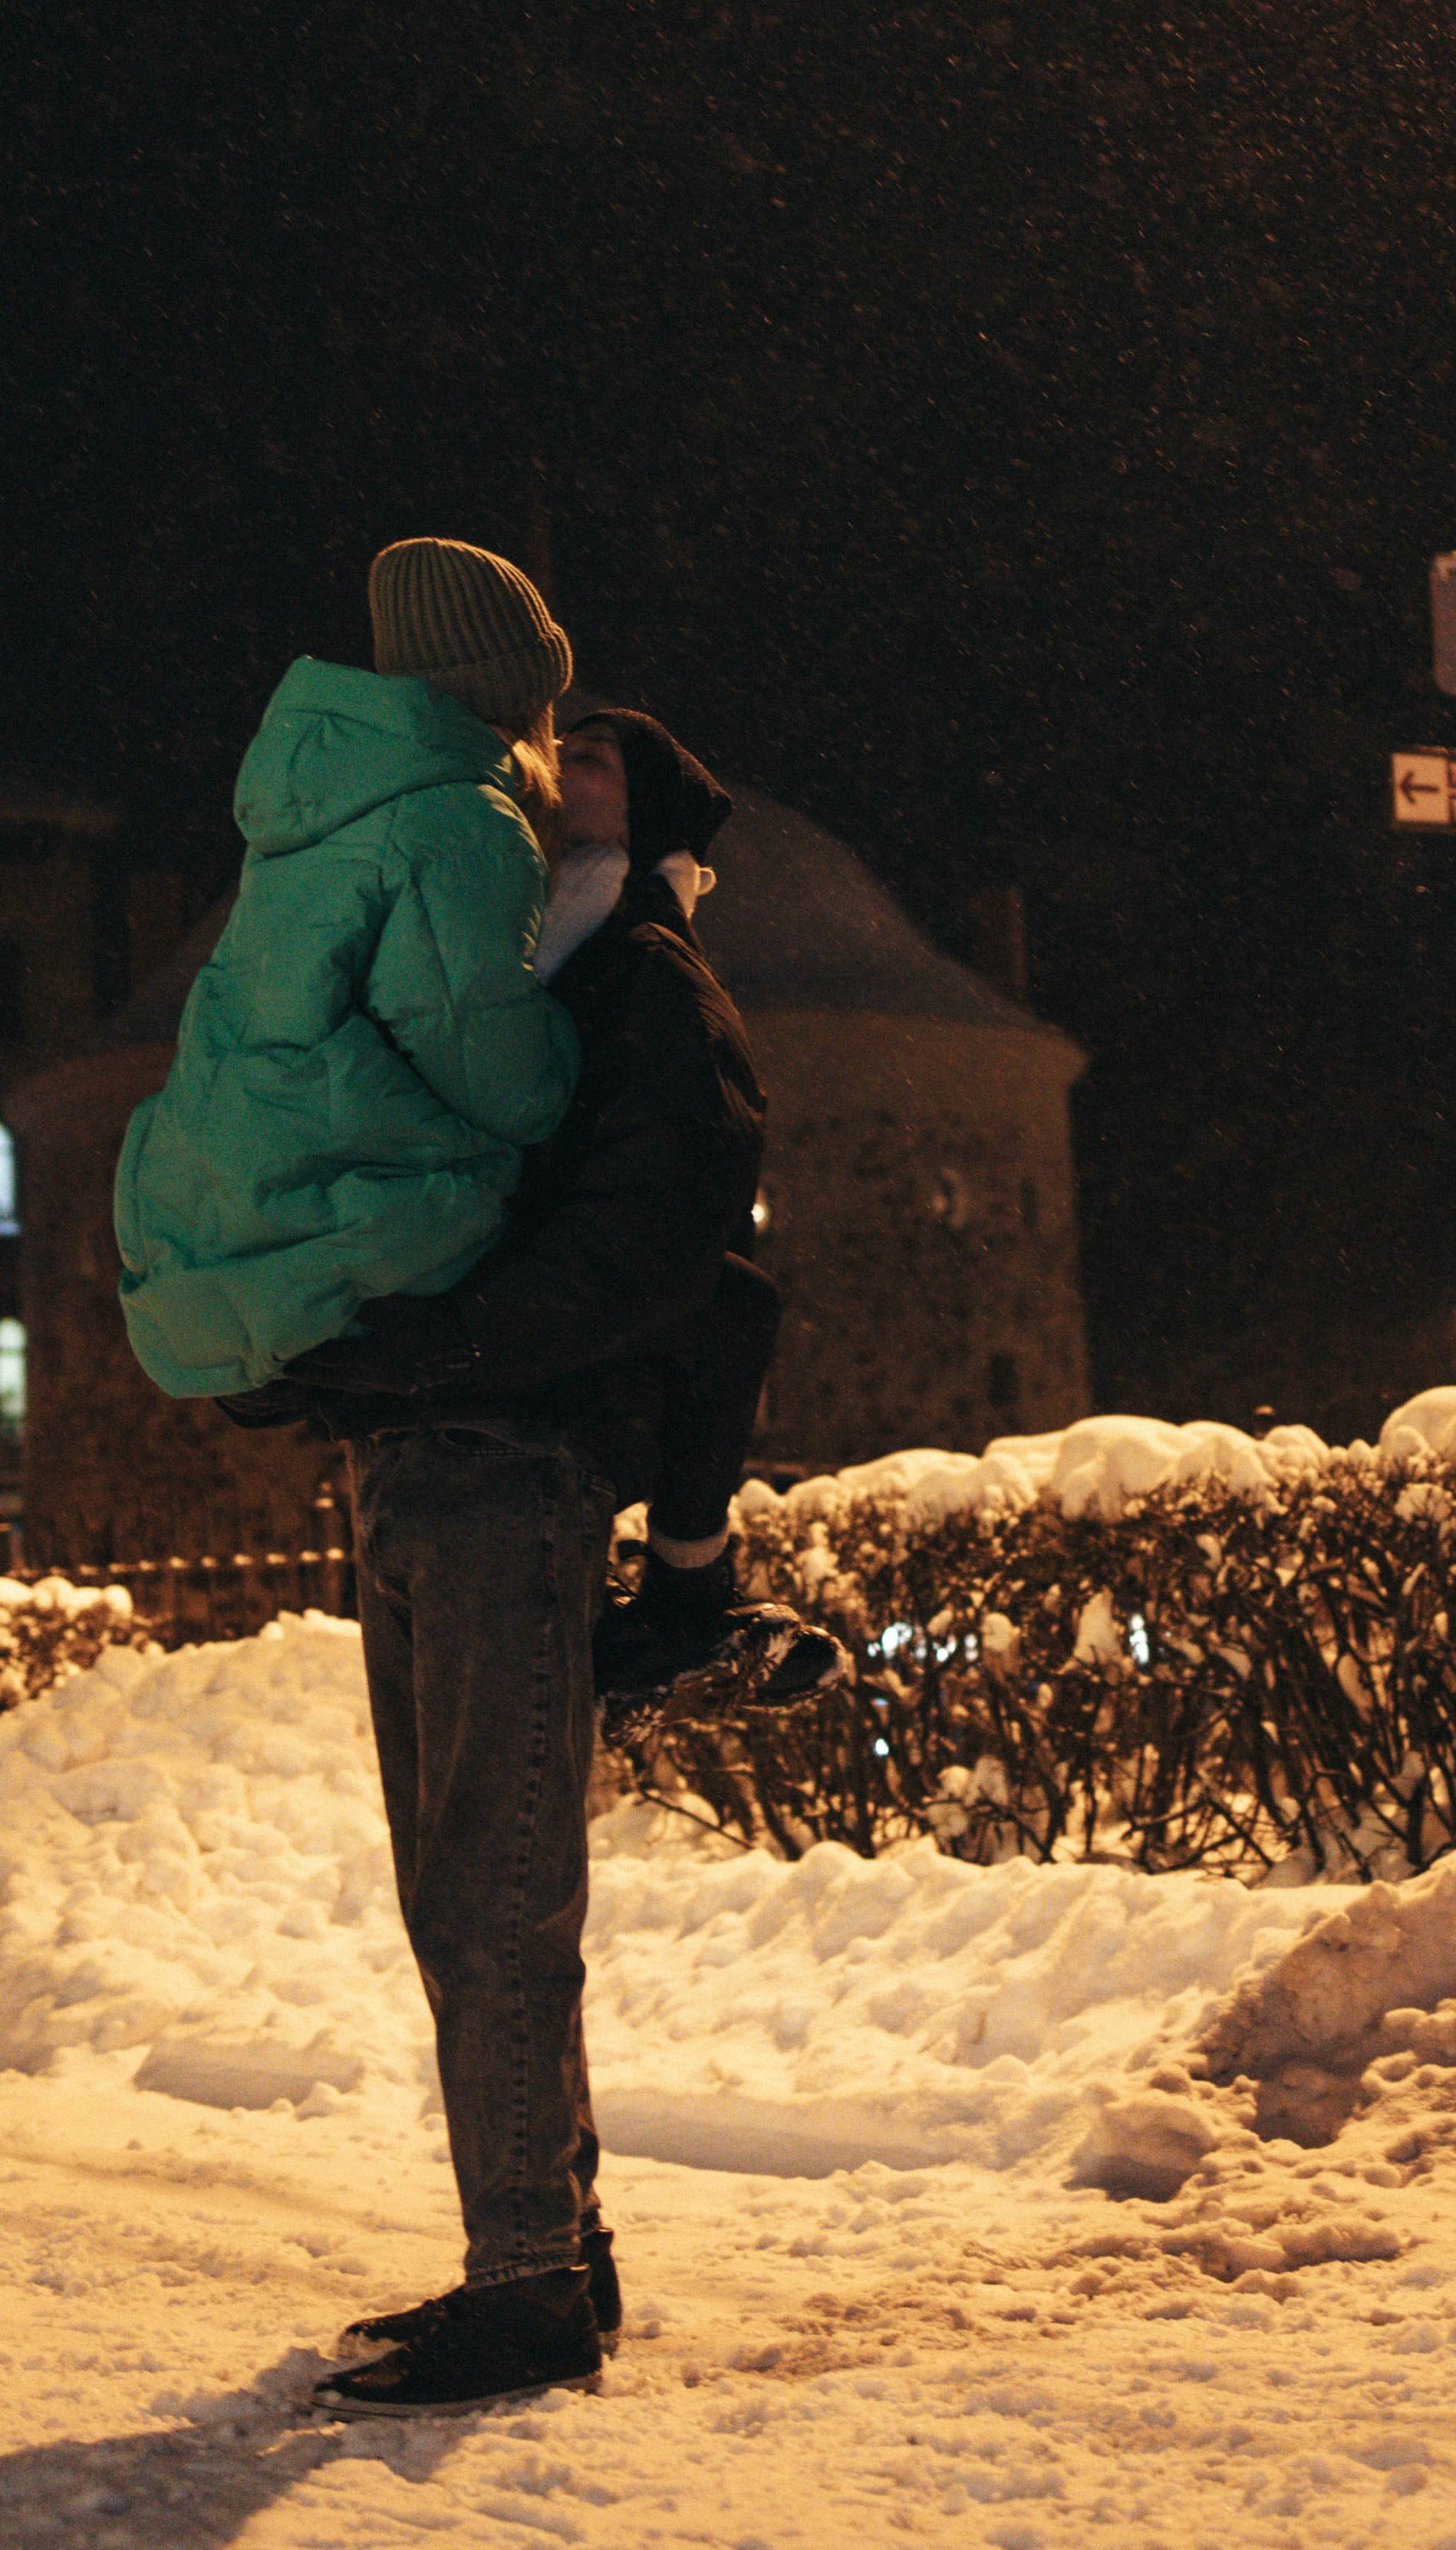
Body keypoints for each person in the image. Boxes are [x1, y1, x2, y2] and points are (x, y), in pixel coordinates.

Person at [277, 692, 842, 2419]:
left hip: (510, 1464)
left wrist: (449, 1362)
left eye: (593, 759)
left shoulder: (641, 984)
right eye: (551, 752)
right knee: (457, 1890)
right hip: (421, 1467)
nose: (554, 770)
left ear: (656, 809)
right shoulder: (512, 979)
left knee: (496, 1895)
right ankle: (551, 2249)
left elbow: (678, 1256)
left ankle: (526, 2286)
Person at [114, 539, 581, 1399]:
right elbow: (491, 1070)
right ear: (519, 685)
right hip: (366, 1205)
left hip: (239, 1188)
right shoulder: (465, 819)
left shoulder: (320, 799)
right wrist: (585, 1039)